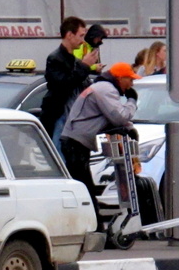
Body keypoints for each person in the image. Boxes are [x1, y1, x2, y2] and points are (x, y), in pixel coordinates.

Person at [60, 62, 141, 231]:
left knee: (83, 185)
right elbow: (118, 117)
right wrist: (132, 101)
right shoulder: (106, 89)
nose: (132, 84)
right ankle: (95, 229)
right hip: (76, 142)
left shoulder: (102, 87)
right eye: (130, 80)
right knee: (84, 188)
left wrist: (128, 128)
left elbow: (107, 118)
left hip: (76, 140)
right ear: (120, 78)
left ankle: (92, 227)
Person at [40, 16, 102, 154]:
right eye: (80, 35)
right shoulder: (55, 59)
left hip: (73, 118)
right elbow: (63, 85)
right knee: (59, 154)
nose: (82, 40)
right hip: (60, 115)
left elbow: (79, 84)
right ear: (69, 35)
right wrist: (85, 66)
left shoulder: (72, 59)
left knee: (70, 155)